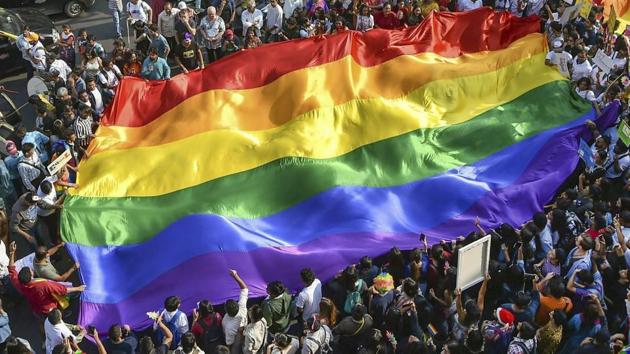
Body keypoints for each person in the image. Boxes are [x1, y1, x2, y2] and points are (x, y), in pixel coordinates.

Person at [8, 241, 86, 320]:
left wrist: (11, 253)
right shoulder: (43, 284)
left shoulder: (19, 283)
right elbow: (62, 289)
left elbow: (11, 269)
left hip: (36, 306)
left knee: (42, 317)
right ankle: (63, 315)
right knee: (57, 313)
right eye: (30, 270)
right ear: (31, 276)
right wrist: (78, 288)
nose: (32, 270)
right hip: (48, 306)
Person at [222, 269, 248, 351]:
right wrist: (235, 275)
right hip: (244, 334)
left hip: (236, 342)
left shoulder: (226, 324)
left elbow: (229, 343)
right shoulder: (242, 307)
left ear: (226, 311)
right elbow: (245, 288)